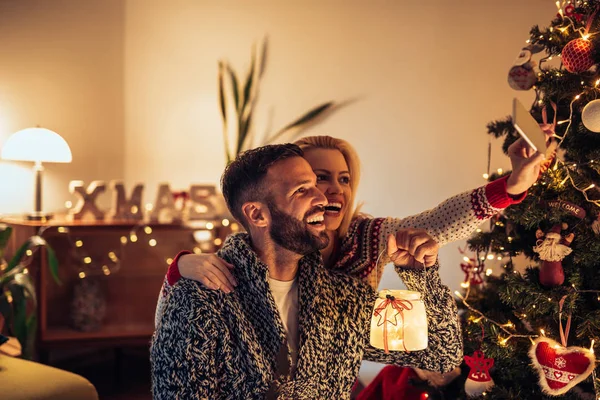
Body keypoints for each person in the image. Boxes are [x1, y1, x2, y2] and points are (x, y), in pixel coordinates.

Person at [157, 136, 542, 369]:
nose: (331, 192)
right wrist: (180, 268)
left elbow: (440, 221)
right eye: (314, 181)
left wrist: (510, 186)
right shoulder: (251, 257)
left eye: (343, 179)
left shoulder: (367, 238)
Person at [151, 144, 445, 399]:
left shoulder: (345, 297)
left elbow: (440, 355)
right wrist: (177, 267)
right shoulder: (198, 301)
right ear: (257, 214)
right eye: (303, 189)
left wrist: (423, 277)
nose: (323, 198)